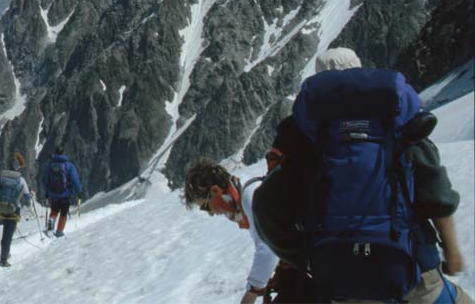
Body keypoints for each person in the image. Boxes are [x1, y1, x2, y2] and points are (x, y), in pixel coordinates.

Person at [252, 47, 472, 304]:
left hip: (340, 275)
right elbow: (437, 194)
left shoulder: (309, 139)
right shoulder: (396, 123)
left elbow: (265, 207)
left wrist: (304, 257)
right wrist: (452, 250)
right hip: (412, 267)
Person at [183, 158, 279, 304]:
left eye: (206, 207)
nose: (210, 213)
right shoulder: (248, 197)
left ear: (215, 191)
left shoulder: (250, 196)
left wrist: (250, 295)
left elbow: (268, 249)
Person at [0, 152, 33, 266]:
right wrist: (30, 197)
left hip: (1, 206)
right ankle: (4, 259)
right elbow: (26, 196)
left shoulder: (1, 176)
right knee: (9, 232)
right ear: (18, 167)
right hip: (14, 208)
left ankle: (4, 249)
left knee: (6, 229)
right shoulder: (20, 179)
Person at [40, 146, 82, 237]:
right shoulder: (69, 166)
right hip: (65, 195)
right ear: (63, 153)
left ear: (55, 153)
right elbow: (75, 180)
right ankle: (59, 231)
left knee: (54, 211)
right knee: (63, 213)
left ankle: (51, 222)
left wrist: (47, 193)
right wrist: (79, 191)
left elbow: (44, 181)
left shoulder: (50, 166)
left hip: (53, 195)